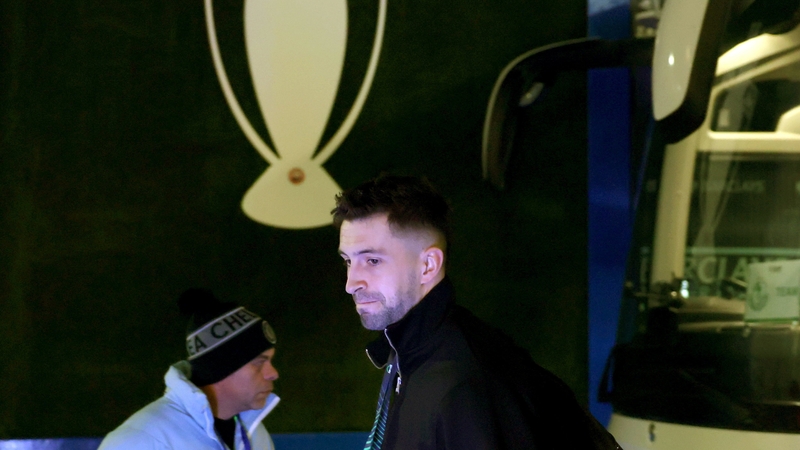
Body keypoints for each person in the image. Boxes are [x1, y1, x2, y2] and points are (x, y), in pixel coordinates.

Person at [333, 174, 620, 450]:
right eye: (348, 261)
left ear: (428, 266)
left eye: (372, 260)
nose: (351, 284)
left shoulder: (462, 381)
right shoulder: (412, 350)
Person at [99, 288, 280, 450]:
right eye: (258, 363)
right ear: (221, 366)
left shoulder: (254, 433)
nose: (273, 374)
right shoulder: (140, 442)